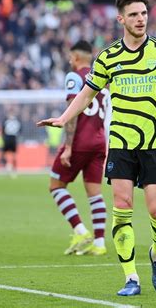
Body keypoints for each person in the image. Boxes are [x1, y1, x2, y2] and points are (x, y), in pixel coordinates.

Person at [37, 0, 156, 296]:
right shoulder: (109, 57)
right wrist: (62, 117)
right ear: (121, 18)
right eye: (133, 14)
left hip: (155, 143)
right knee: (122, 208)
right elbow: (86, 94)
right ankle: (131, 278)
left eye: (144, 14)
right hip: (121, 143)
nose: (140, 19)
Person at [48, 40, 109, 256]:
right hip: (99, 141)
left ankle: (81, 231)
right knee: (95, 194)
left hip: (80, 142)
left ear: (75, 57)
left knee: (56, 185)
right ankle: (100, 244)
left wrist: (68, 147)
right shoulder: (102, 80)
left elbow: (71, 115)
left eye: (69, 56)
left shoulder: (74, 77)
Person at [0, 107, 21, 177]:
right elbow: (3, 130)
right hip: (8, 138)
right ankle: (7, 166)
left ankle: (13, 168)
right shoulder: (7, 121)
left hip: (12, 138)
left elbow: (20, 130)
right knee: (4, 154)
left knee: (13, 154)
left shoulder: (15, 121)